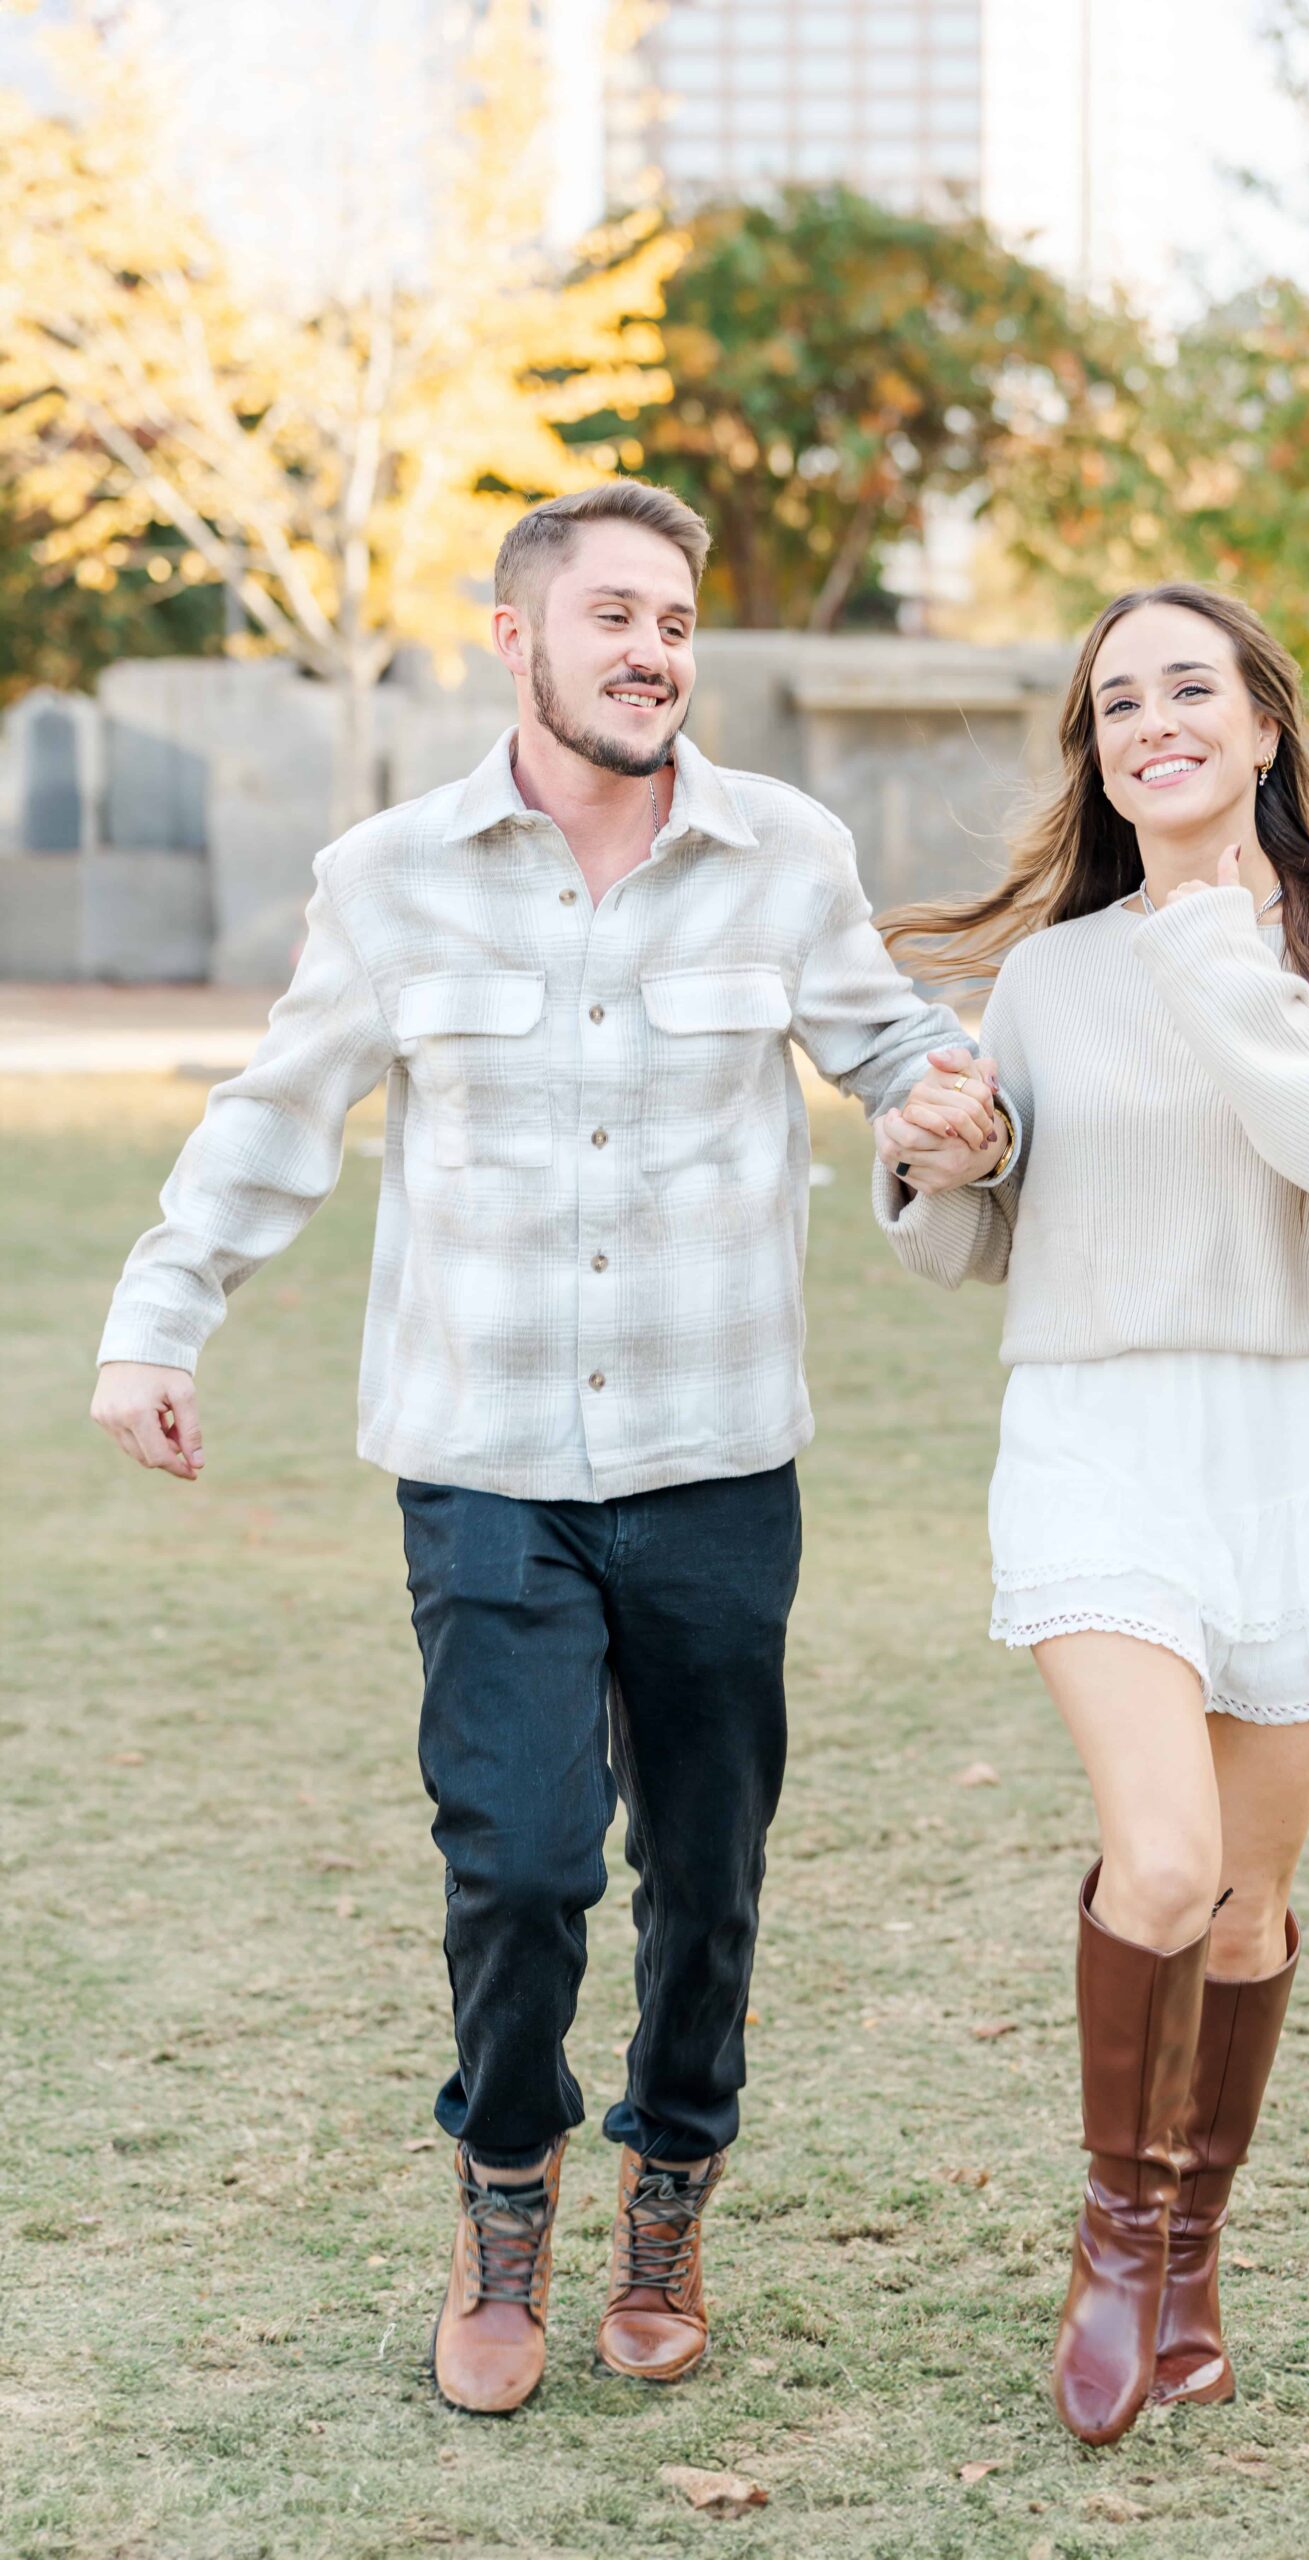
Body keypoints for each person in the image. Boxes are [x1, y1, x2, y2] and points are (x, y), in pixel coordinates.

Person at [91, 481, 1012, 2417]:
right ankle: (501, 2195)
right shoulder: (388, 873)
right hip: (483, 1456)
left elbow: (882, 1049)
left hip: (710, 1454)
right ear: (511, 634)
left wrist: (949, 1110)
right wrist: (158, 1318)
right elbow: (277, 1113)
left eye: (672, 617)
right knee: (516, 1861)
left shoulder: (784, 853)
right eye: (609, 613)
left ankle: (666, 2186)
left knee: (708, 1859)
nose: (650, 649)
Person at [870, 582, 1309, 2446]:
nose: (1151, 721)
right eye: (1114, 700)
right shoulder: (1055, 976)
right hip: (1096, 1428)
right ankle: (1107, 2244)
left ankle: (1190, 2251)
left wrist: (1229, 956)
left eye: (1189, 689)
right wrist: (942, 1161)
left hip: (1296, 1438)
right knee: (1159, 1863)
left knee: (1244, 1911)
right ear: (1095, 751)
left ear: (1260, 726)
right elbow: (976, 1242)